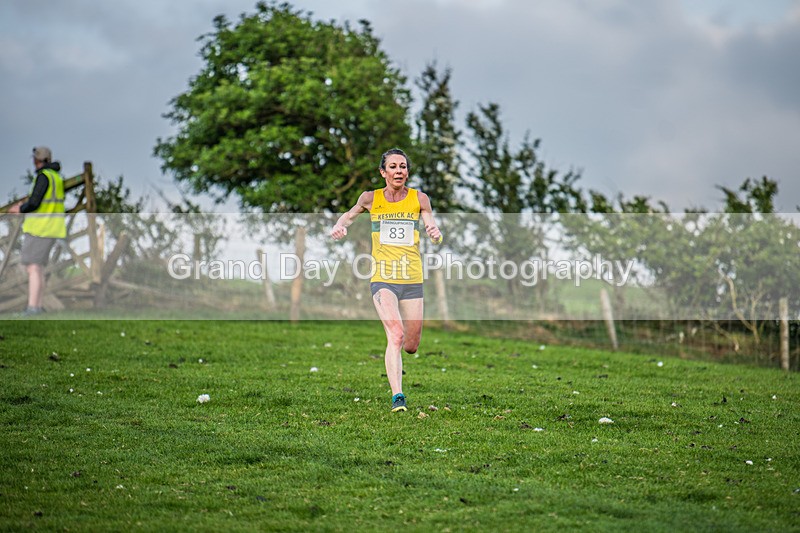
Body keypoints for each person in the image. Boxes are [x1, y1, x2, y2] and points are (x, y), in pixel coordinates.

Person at [331, 148, 442, 412]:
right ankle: (397, 397)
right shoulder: (370, 198)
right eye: (393, 167)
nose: (399, 171)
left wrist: (434, 232)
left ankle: (401, 361)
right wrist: (340, 225)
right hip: (383, 279)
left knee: (412, 345)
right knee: (396, 334)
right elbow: (348, 215)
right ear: (383, 172)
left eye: (403, 167)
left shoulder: (419, 199)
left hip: (412, 279)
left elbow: (432, 229)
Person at [8, 146, 67, 316]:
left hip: (41, 228)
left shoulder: (43, 177)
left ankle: (33, 308)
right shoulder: (56, 177)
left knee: (33, 268)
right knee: (38, 268)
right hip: (53, 227)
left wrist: (20, 208)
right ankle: (37, 307)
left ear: (37, 160)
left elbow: (35, 202)